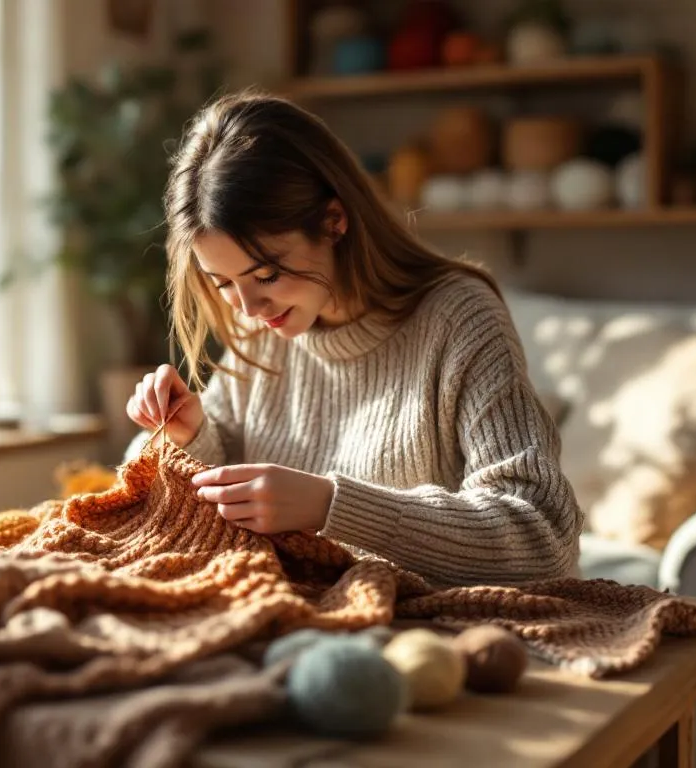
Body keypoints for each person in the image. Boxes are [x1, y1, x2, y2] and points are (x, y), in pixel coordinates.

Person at [124, 90, 582, 588]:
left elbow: (542, 538)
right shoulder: (263, 330)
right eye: (223, 283)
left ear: (334, 221)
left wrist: (330, 506)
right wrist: (189, 436)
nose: (250, 309)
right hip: (297, 619)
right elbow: (172, 509)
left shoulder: (458, 318)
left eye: (268, 274)